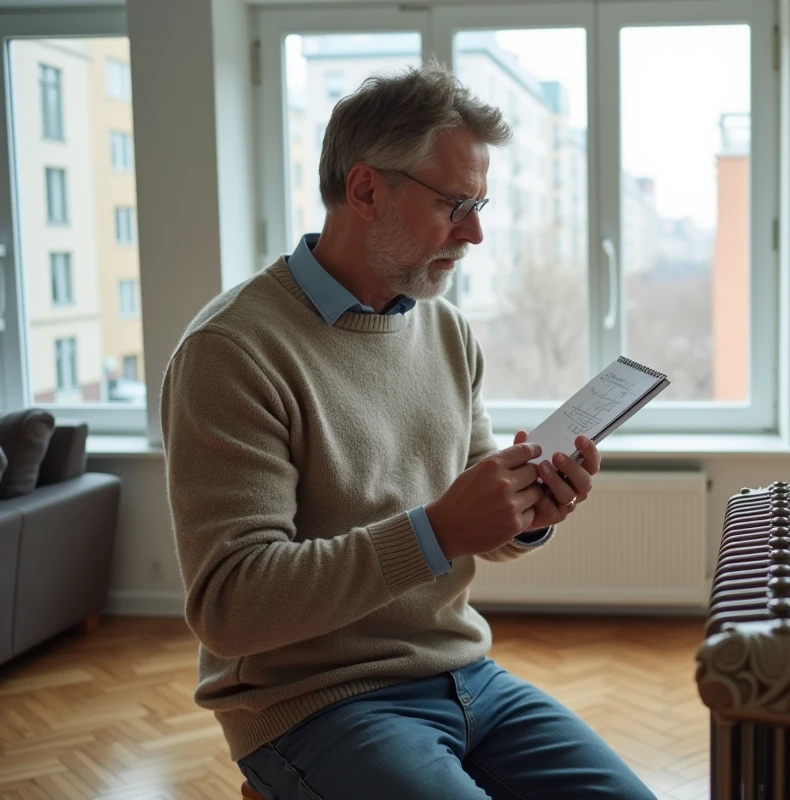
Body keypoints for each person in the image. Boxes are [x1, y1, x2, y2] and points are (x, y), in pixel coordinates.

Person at [160, 64, 657, 800]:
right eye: (456, 204)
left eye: (479, 205)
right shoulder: (232, 352)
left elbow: (475, 525)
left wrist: (528, 514)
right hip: (314, 704)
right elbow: (231, 607)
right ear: (365, 190)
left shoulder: (448, 332)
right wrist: (437, 531)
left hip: (466, 676)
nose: (476, 232)